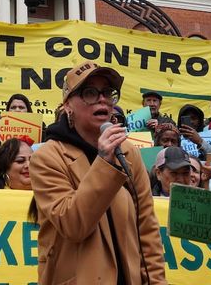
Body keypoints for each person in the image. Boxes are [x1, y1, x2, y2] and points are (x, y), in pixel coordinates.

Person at [29, 61, 166, 284]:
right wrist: (103, 160)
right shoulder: (47, 158)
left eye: (108, 92)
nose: (102, 99)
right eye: (90, 92)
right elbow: (73, 224)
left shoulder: (129, 152)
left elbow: (147, 229)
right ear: (67, 105)